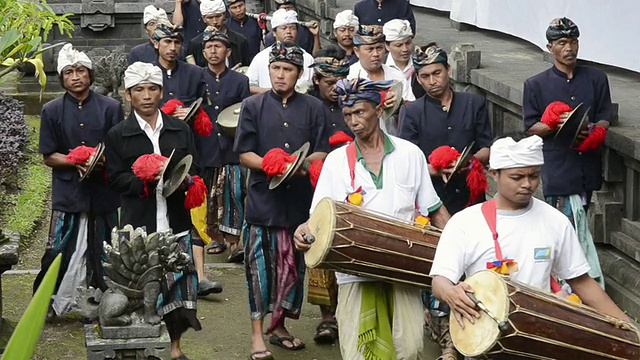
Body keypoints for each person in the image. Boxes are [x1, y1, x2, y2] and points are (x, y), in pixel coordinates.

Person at [293, 77, 451, 360]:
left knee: (410, 347)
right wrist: (302, 232)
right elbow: (317, 219)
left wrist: (457, 250)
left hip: (403, 268)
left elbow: (434, 209)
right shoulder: (336, 161)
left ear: (379, 110)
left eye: (360, 112)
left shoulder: (410, 154)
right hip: (353, 273)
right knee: (358, 352)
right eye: (348, 115)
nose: (353, 121)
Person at [429, 135, 629, 348]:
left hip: (541, 336)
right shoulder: (465, 222)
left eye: (534, 176)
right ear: (494, 174)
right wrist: (450, 293)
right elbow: (440, 280)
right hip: (484, 338)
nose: (527, 184)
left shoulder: (555, 221)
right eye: (517, 177)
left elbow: (581, 282)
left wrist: (627, 328)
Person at [234, 41, 331, 360]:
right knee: (259, 271)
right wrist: (270, 165)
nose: (280, 75)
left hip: (299, 205)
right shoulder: (252, 107)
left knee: (292, 271)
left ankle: (279, 327)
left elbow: (321, 150)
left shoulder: (314, 107)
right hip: (263, 203)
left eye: (287, 69)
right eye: (275, 68)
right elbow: (244, 153)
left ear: (299, 73)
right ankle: (257, 336)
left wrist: (298, 166)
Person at [398, 43, 492, 360]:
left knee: (475, 266)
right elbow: (408, 160)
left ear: (448, 71)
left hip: (470, 194)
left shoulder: (474, 104)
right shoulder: (411, 112)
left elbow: (487, 147)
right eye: (424, 76)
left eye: (437, 73)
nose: (432, 81)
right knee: (440, 270)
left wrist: (465, 162)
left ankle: (477, 332)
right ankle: (447, 340)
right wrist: (436, 167)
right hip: (432, 200)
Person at [105, 62, 202, 360]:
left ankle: (175, 346)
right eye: (138, 90)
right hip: (140, 223)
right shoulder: (119, 134)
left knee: (181, 285)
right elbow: (115, 177)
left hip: (176, 221)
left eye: (152, 89)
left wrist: (184, 180)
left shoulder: (179, 129)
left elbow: (194, 167)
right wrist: (144, 180)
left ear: (161, 92)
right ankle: (145, 342)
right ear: (128, 94)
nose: (146, 95)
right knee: (143, 286)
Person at [35, 43, 123, 321]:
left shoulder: (111, 107)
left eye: (81, 70)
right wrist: (75, 160)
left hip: (103, 189)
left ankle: (107, 302)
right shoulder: (51, 110)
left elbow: (117, 149)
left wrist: (99, 160)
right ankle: (45, 302)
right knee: (57, 247)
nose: (76, 76)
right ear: (62, 78)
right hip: (68, 189)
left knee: (108, 247)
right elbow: (49, 155)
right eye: (70, 72)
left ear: (90, 74)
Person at [523, 17, 609, 288]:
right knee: (559, 226)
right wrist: (550, 123)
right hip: (557, 167)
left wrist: (596, 130)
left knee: (580, 221)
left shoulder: (597, 78)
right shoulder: (535, 84)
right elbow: (530, 127)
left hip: (587, 163)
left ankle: (575, 281)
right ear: (550, 47)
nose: (569, 48)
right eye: (562, 43)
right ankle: (561, 282)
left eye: (573, 41)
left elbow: (606, 115)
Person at [196, 30, 250, 262]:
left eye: (218, 47)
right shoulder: (196, 78)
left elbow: (244, 114)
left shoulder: (240, 81)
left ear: (228, 52)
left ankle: (234, 242)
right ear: (203, 51)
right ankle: (215, 238)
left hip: (230, 144)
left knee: (234, 193)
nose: (213, 51)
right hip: (205, 143)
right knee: (209, 194)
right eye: (209, 47)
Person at [347, 25, 410, 134]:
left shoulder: (397, 75)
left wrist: (399, 104)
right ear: (357, 51)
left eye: (379, 48)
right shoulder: (349, 76)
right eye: (370, 49)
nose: (376, 54)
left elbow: (412, 108)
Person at [246, 9, 314, 95]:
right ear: (274, 32)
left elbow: (312, 88)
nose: (288, 32)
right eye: (284, 28)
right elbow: (249, 86)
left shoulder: (307, 58)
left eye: (292, 28)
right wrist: (272, 93)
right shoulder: (261, 58)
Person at [152, 19, 206, 107]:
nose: (173, 48)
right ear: (156, 44)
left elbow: (205, 106)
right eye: (168, 42)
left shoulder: (194, 74)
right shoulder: (148, 73)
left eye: (177, 43)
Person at [185, 0, 250, 68]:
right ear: (204, 19)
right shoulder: (196, 43)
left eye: (218, 16)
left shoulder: (240, 41)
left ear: (224, 15)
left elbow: (246, 67)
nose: (215, 21)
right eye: (210, 18)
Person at [309, 46, 353, 141]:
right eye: (330, 83)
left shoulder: (354, 100)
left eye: (341, 82)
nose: (336, 88)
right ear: (316, 79)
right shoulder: (307, 106)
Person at [383, 19, 415, 99]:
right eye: (398, 45)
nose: (405, 49)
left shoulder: (420, 64)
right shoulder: (380, 65)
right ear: (387, 46)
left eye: (408, 43)